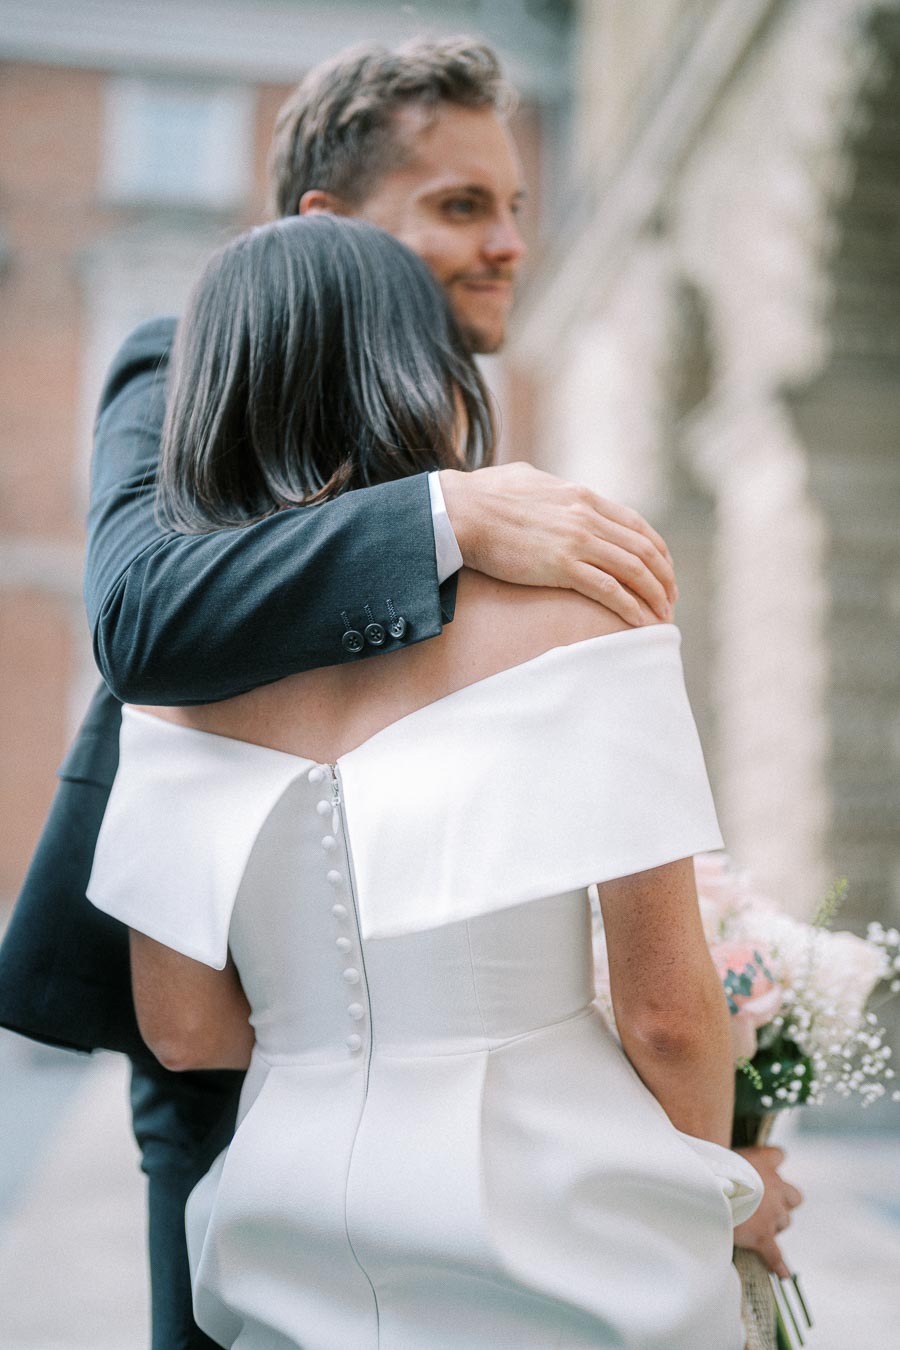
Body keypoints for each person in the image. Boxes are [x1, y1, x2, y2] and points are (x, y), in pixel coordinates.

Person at [0, 36, 798, 1348]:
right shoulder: (176, 353)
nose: (507, 247)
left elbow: (193, 1018)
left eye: (516, 208)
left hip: (279, 1185)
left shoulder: (189, 722)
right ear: (335, 229)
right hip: (501, 1202)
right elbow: (138, 608)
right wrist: (708, 1191)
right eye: (459, 207)